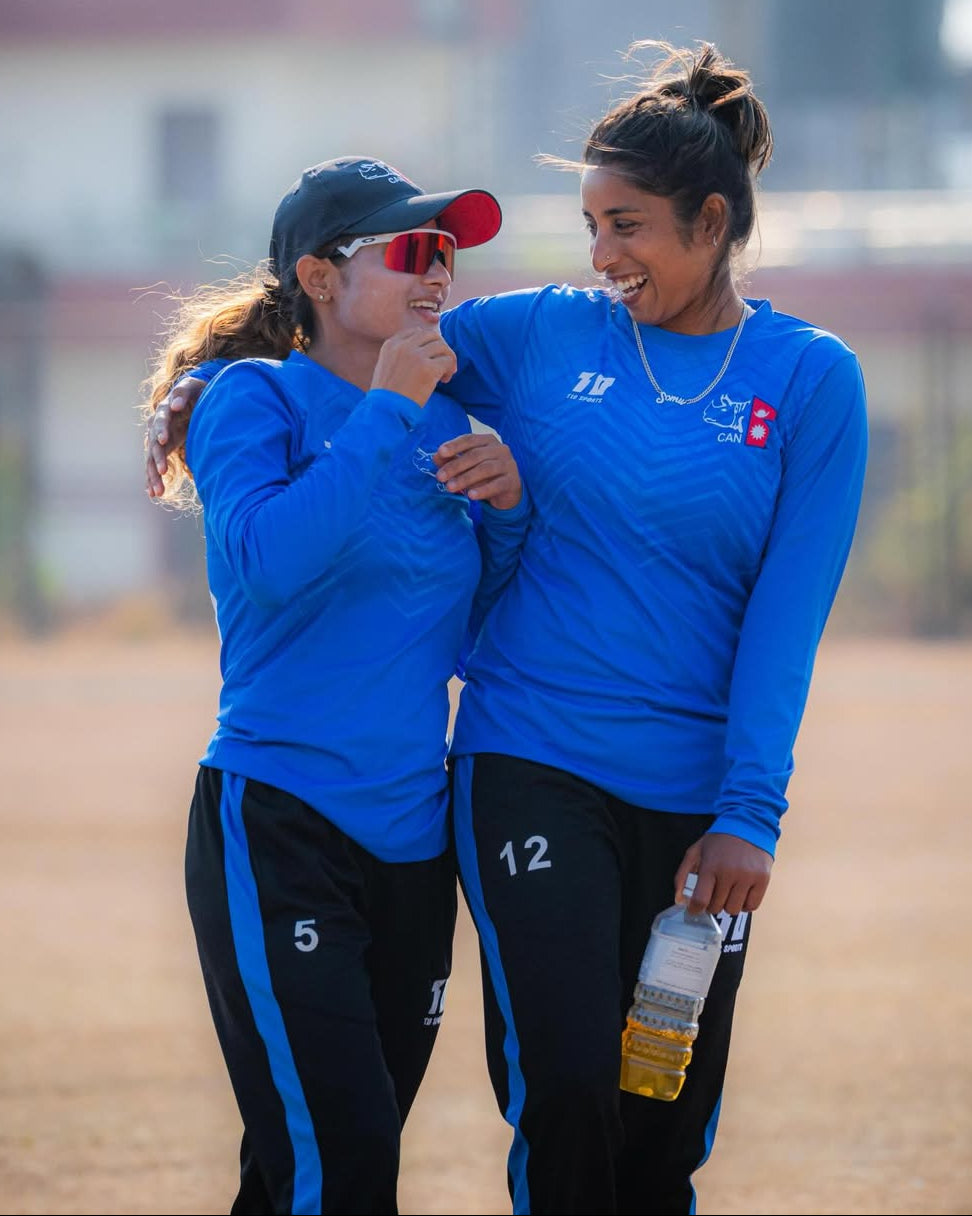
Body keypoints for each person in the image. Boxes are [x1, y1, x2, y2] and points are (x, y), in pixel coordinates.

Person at [146, 41, 868, 1216]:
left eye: (625, 225)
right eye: (589, 226)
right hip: (522, 763)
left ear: (713, 219)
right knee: (563, 1086)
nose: (601, 257)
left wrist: (748, 809)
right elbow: (338, 349)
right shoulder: (540, 332)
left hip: (679, 799)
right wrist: (198, 381)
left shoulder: (810, 379)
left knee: (661, 1117)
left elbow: (786, 619)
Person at [140, 154, 530, 1215]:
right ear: (317, 276)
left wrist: (507, 517)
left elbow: (456, 635)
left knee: (300, 1171)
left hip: (411, 850)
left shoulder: (446, 428)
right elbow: (269, 563)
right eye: (410, 249)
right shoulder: (248, 402)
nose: (437, 272)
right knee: (345, 1165)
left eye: (446, 252)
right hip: (280, 829)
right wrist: (386, 413)